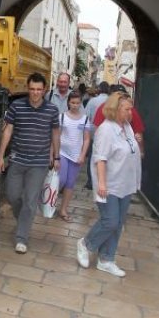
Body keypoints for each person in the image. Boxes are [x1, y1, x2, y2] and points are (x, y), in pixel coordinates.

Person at [76, 92, 142, 277]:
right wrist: (102, 184)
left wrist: (138, 143)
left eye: (131, 108)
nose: (131, 112)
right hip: (110, 184)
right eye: (127, 109)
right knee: (110, 221)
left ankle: (106, 259)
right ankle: (86, 244)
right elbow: (100, 159)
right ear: (116, 109)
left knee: (118, 223)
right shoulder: (106, 129)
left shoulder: (127, 127)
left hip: (125, 184)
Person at [0, 72, 61, 254]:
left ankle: (21, 237)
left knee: (30, 201)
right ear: (27, 88)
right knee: (13, 196)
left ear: (45, 90)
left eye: (39, 90)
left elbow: (55, 133)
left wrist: (56, 157)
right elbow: (8, 131)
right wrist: (0, 156)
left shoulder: (52, 110)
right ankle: (23, 221)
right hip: (17, 159)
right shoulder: (17, 106)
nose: (35, 93)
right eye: (32, 89)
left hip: (39, 163)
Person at [57, 92, 92, 222]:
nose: (75, 105)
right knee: (61, 180)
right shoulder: (61, 117)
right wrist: (54, 154)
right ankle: (49, 200)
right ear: (68, 102)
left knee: (70, 183)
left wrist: (83, 155)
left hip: (77, 155)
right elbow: (56, 136)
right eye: (73, 102)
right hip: (62, 153)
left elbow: (87, 139)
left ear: (80, 103)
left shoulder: (85, 119)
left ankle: (63, 209)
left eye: (78, 103)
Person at [93, 86, 146, 158]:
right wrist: (141, 151)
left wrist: (140, 150)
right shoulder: (104, 113)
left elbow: (138, 132)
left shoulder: (128, 112)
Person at [83, 81, 110, 189]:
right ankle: (104, 180)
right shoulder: (111, 101)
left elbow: (86, 116)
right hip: (109, 135)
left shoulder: (92, 101)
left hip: (95, 133)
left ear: (99, 89)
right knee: (106, 157)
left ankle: (90, 181)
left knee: (92, 156)